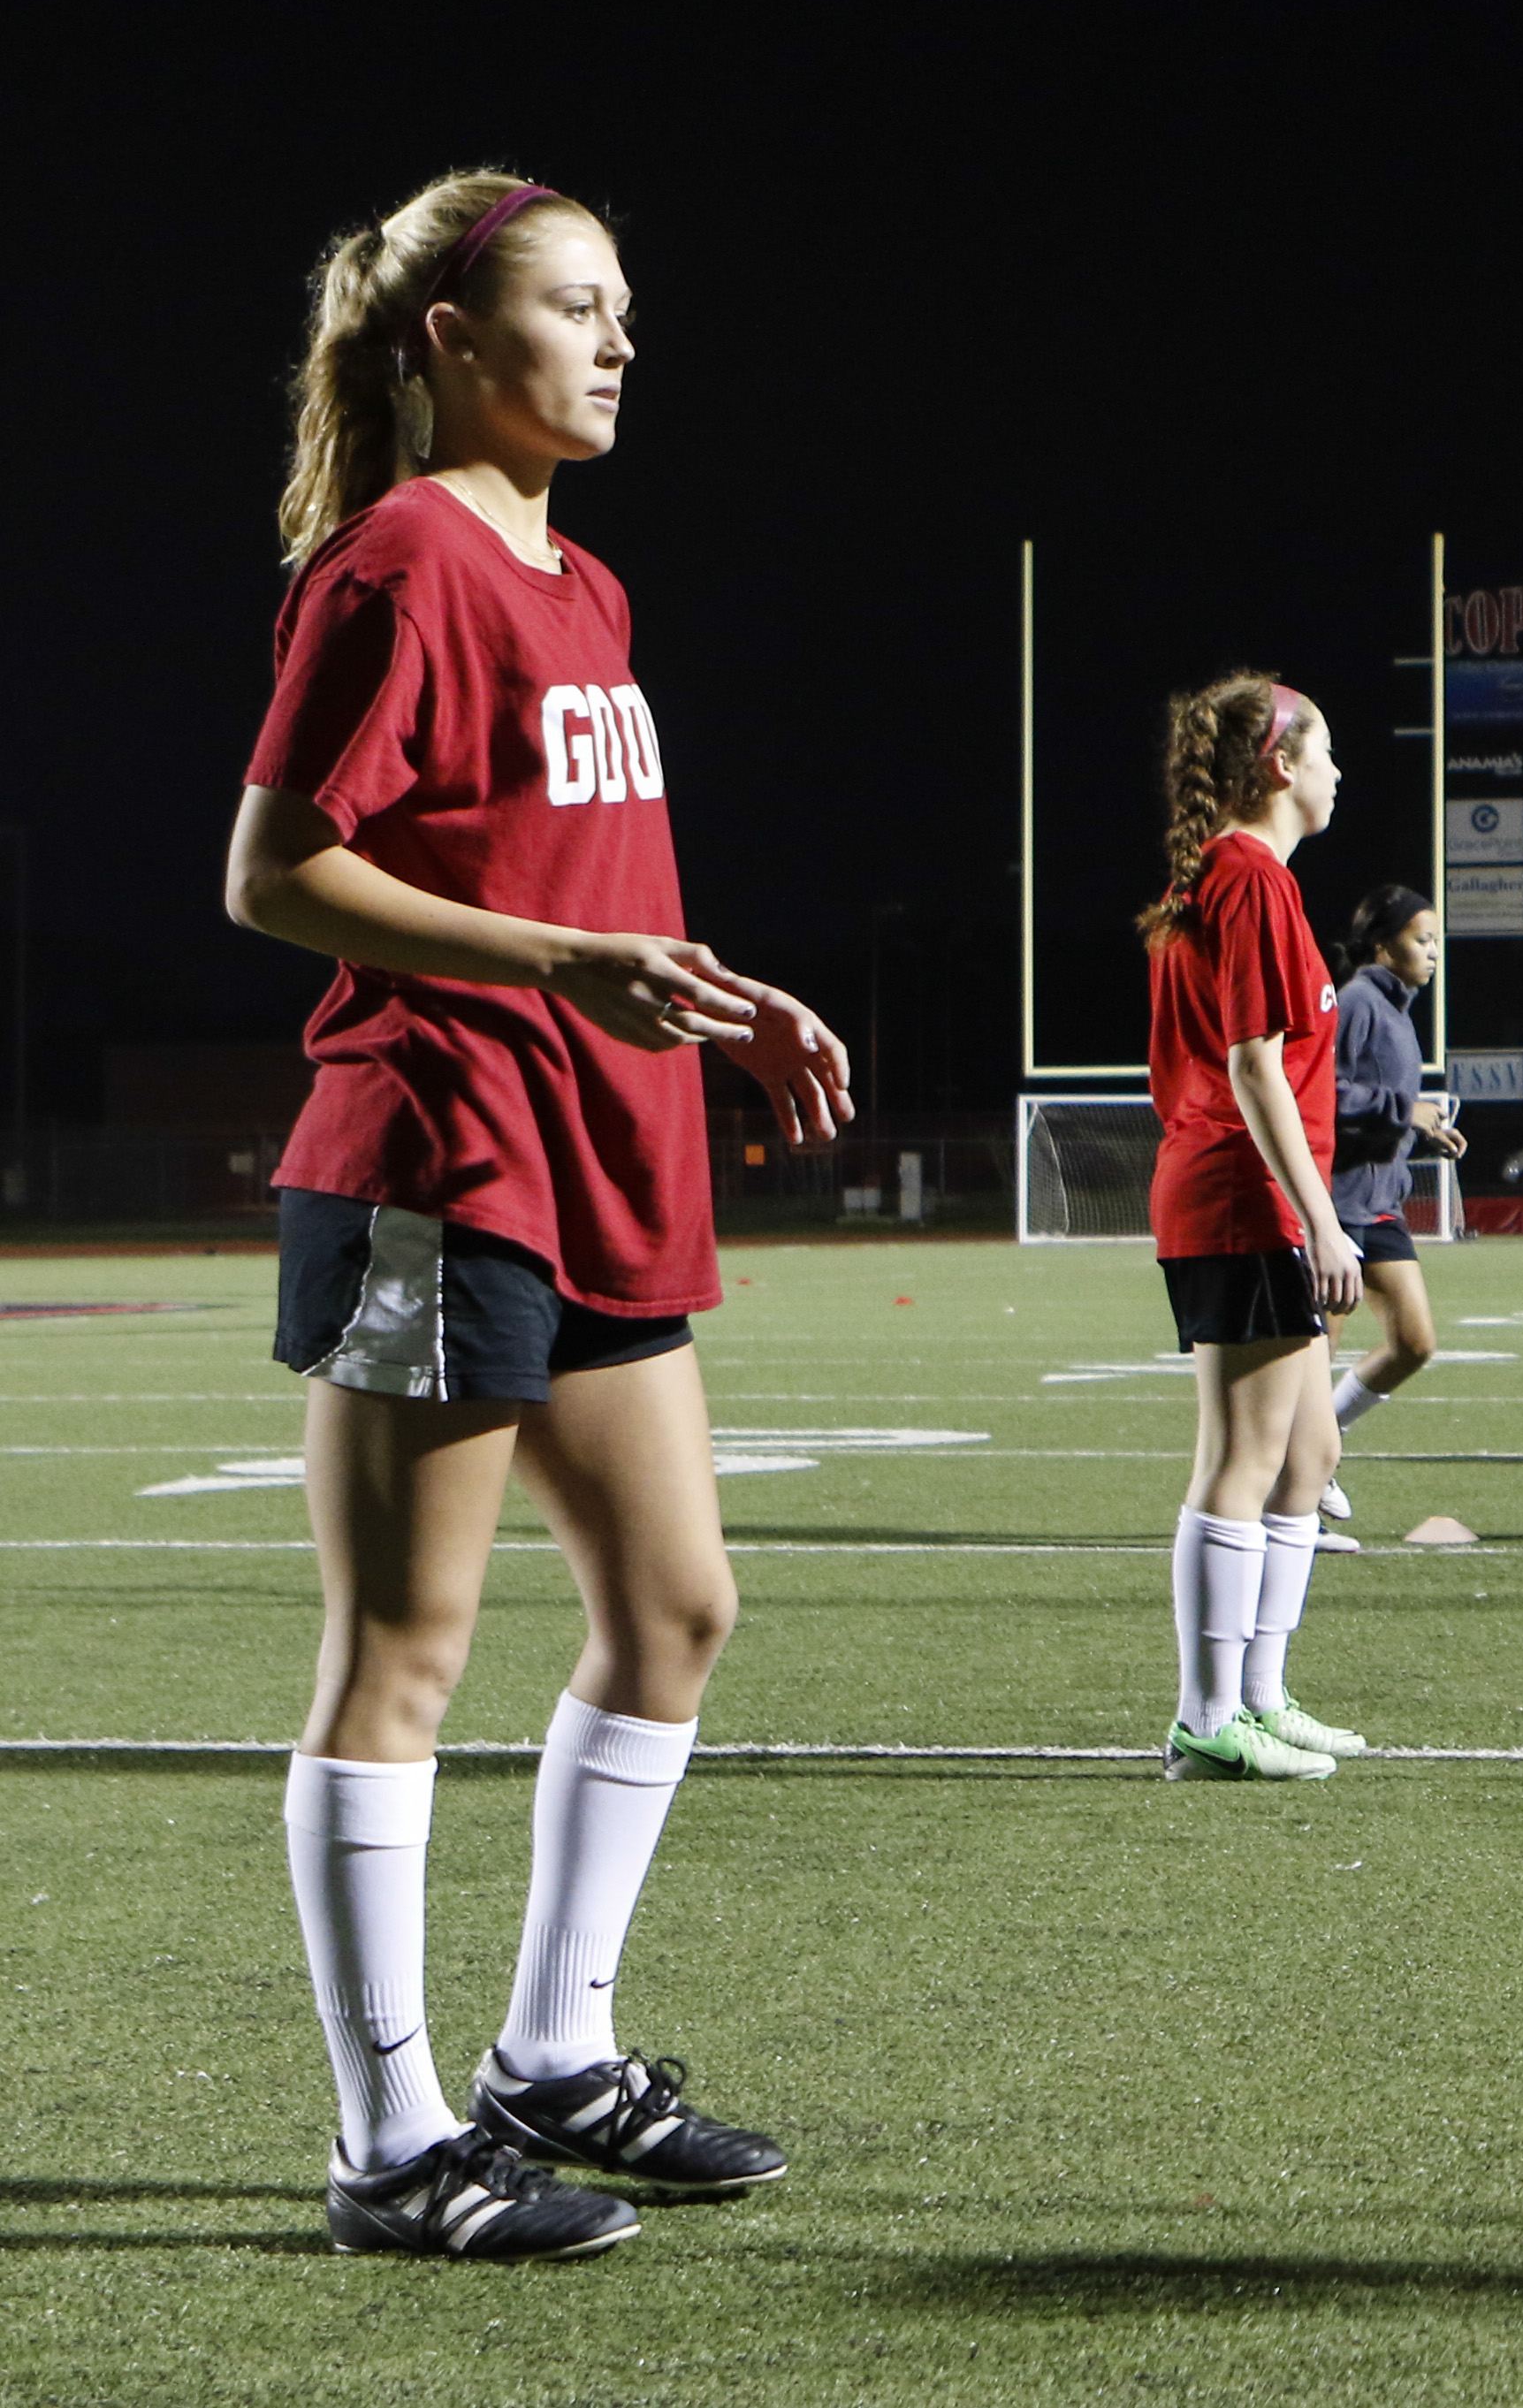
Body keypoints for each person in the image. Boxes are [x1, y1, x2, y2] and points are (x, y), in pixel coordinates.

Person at [228, 169, 853, 2259]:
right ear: (448, 346)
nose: (618, 344)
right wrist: (559, 971)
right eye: (577, 310)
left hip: (598, 1144)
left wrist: (707, 990)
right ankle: (389, 2143)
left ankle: (552, 2062)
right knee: (403, 1652)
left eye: (623, 312)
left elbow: (574, 890)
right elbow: (275, 873)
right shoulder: (399, 564)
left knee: (675, 1612)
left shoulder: (581, 587)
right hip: (439, 1157)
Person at [1141, 674, 1376, 1783]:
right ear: (1282, 765)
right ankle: (1206, 1714)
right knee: (1240, 1458)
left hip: (1259, 1197)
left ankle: (1262, 1694)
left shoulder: (1249, 878)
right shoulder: (1245, 875)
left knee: (1309, 1452)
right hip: (1245, 1198)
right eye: (1327, 752)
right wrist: (1323, 1223)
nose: (1340, 773)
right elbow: (1249, 1066)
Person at [1317, 883, 1463, 1540]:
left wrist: (1421, 1128)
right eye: (1420, 939)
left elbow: (1377, 1102)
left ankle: (1323, 1443)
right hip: (1340, 1203)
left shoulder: (1398, 1011)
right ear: (1383, 945)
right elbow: (1323, 1091)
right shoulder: (1356, 1002)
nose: (1433, 952)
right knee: (1310, 1361)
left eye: (1436, 941)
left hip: (1380, 1202)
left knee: (1414, 1342)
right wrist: (1403, 1112)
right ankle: (1290, 1499)